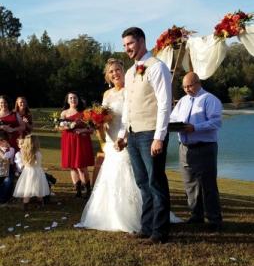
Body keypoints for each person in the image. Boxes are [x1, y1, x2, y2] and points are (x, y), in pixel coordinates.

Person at [116, 27, 172, 244]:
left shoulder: (158, 67)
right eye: (124, 45)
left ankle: (160, 232)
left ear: (141, 41)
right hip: (133, 135)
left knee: (156, 182)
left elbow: (165, 104)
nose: (127, 48)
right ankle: (147, 227)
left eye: (130, 43)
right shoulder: (129, 73)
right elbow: (128, 107)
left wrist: (159, 136)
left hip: (151, 133)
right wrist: (123, 134)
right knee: (142, 183)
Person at [75, 58, 142, 232]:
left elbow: (129, 116)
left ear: (123, 70)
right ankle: (108, 213)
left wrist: (123, 138)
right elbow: (102, 115)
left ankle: (133, 214)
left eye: (118, 70)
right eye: (111, 71)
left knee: (128, 173)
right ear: (108, 75)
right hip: (110, 138)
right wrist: (97, 123)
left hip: (124, 136)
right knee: (110, 174)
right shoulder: (107, 94)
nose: (115, 74)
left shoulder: (129, 90)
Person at [170, 71, 223, 230]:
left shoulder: (209, 99)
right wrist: (173, 125)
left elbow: (216, 123)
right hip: (185, 148)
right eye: (184, 86)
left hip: (204, 147)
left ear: (198, 83)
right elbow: (172, 118)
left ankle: (214, 219)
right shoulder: (183, 101)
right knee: (190, 184)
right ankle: (196, 215)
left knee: (208, 185)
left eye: (190, 86)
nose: (187, 89)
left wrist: (195, 128)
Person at [60, 91, 94, 198]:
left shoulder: (85, 113)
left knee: (81, 166)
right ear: (67, 100)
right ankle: (78, 191)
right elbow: (60, 127)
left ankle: (88, 190)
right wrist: (67, 127)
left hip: (81, 141)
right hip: (68, 141)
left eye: (75, 98)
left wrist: (82, 130)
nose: (73, 100)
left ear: (78, 99)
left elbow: (91, 129)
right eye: (70, 98)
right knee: (72, 167)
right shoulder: (64, 113)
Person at [13, 134, 50, 211]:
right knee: (39, 188)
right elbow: (38, 163)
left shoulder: (24, 153)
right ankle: (40, 203)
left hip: (27, 172)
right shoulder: (37, 153)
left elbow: (24, 163)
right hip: (37, 172)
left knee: (27, 188)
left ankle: (25, 205)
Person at [0, 131, 15, 204]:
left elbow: (5, 157)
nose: (1, 143)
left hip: (8, 170)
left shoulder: (11, 149)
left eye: (3, 141)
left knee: (8, 182)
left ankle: (3, 199)